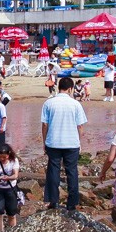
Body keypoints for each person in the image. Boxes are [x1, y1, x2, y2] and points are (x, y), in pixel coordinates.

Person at [41, 76, 87, 213]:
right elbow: (80, 126)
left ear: (58, 87)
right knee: (72, 172)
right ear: (71, 89)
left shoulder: (49, 103)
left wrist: (44, 141)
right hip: (71, 142)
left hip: (53, 141)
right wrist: (79, 142)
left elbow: (44, 124)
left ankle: (53, 201)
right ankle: (72, 203)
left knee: (53, 171)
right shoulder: (75, 104)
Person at [0, 145, 21, 232]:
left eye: (4, 157)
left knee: (12, 213)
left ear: (8, 154)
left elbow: (15, 175)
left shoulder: (14, 160)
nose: (1, 159)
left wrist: (8, 178)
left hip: (10, 189)